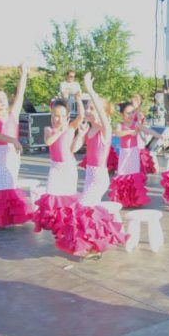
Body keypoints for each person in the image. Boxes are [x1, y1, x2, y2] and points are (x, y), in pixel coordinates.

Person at [57, 72, 128, 258]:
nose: (89, 110)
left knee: (84, 206)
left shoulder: (105, 128)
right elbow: (73, 149)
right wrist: (80, 135)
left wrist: (90, 89)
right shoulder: (89, 130)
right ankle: (94, 245)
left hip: (99, 177)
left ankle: (94, 245)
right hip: (89, 174)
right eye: (88, 107)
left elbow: (101, 112)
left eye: (92, 108)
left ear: (102, 112)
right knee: (89, 210)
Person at [0, 64, 33, 227]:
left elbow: (20, 93)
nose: (3, 102)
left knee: (10, 183)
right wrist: (14, 140)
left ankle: (10, 216)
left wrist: (23, 74)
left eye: (4, 99)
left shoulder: (13, 113)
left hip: (12, 154)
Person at [32, 93, 85, 236]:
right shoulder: (49, 130)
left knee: (68, 196)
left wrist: (79, 100)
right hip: (55, 168)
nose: (59, 119)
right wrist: (59, 131)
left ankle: (69, 224)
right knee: (52, 195)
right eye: (56, 115)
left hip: (68, 168)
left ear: (67, 117)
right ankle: (57, 223)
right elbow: (49, 142)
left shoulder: (70, 128)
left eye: (62, 116)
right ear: (51, 116)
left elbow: (80, 117)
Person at [109, 102, 164, 207]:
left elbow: (147, 130)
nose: (130, 115)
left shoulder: (136, 124)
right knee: (123, 173)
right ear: (122, 114)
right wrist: (130, 132)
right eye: (127, 113)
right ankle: (123, 199)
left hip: (133, 152)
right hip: (124, 153)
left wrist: (159, 136)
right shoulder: (120, 124)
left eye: (132, 112)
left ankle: (135, 200)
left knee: (134, 174)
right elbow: (118, 133)